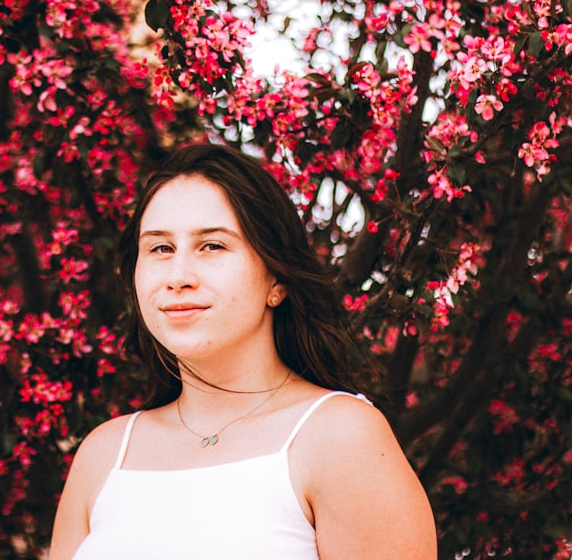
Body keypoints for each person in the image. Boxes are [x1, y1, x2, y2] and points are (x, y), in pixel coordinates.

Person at [49, 143, 436, 559]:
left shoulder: (338, 437)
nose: (178, 276)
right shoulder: (104, 454)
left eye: (212, 246)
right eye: (160, 248)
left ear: (277, 280)